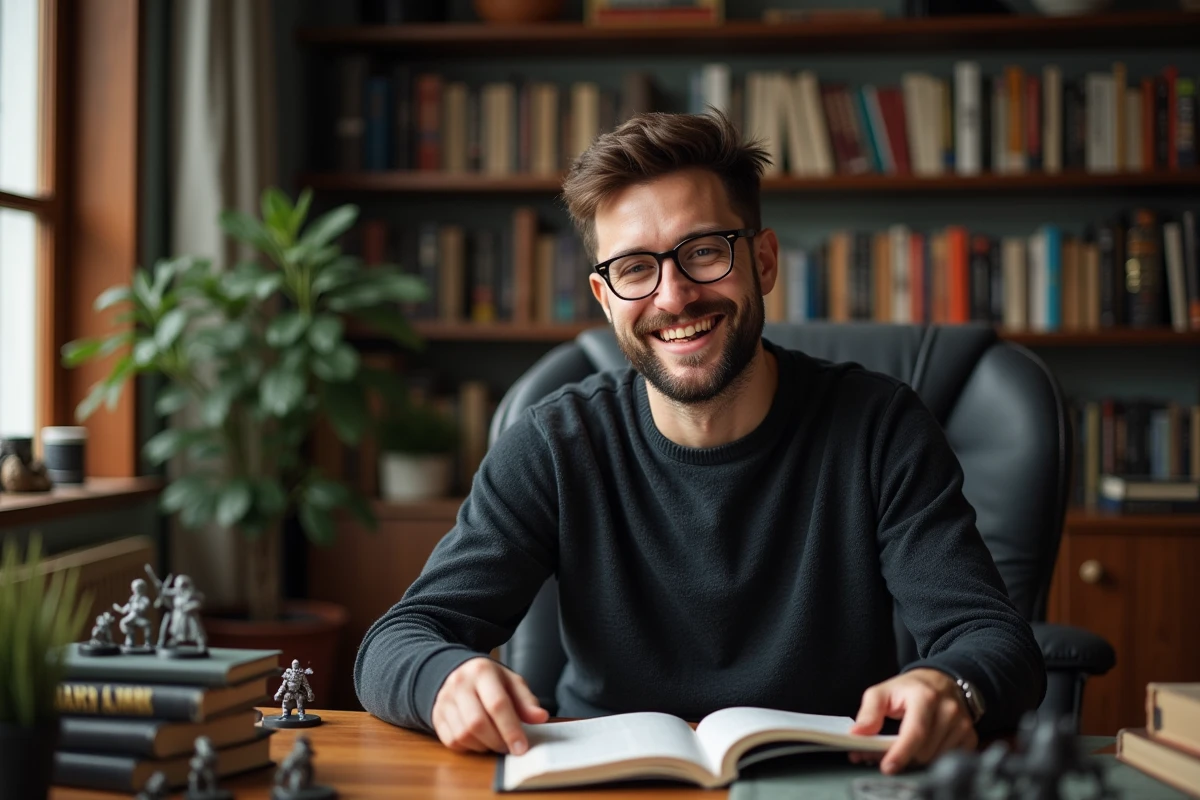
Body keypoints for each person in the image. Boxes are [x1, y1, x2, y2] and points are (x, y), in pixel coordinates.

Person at [354, 111, 1045, 776]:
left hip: (821, 778)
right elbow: (394, 643)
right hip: (602, 783)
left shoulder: (879, 427)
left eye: (704, 252)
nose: (674, 296)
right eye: (634, 269)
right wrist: (444, 678)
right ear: (603, 295)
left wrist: (950, 686)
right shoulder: (554, 445)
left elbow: (995, 642)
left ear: (764, 260)